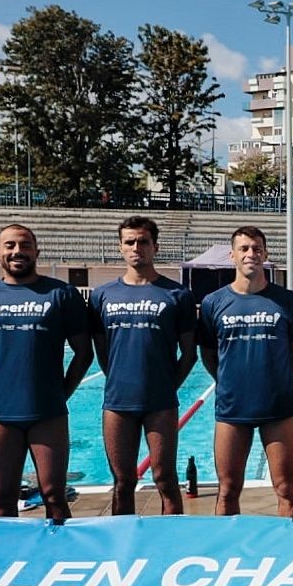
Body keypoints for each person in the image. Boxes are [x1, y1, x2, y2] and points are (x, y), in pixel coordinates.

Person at [0, 224, 92, 521]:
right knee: (3, 498)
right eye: (9, 246)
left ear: (36, 252)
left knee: (55, 495)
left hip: (48, 413)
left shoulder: (61, 294)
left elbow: (84, 353)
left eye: (24, 245)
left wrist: (61, 392)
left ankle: (60, 557)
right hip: (1, 414)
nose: (17, 251)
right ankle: (9, 559)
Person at [89, 216, 197, 515]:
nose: (137, 247)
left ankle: (172, 542)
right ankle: (121, 543)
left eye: (143, 241)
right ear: (120, 247)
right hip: (117, 402)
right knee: (122, 480)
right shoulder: (102, 295)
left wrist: (165, 385)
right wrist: (119, 380)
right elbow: (101, 349)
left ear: (155, 247)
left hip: (160, 402)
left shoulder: (177, 295)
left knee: (165, 477)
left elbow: (189, 354)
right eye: (130, 242)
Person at [197, 226, 293, 517]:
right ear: (232, 255)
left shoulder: (287, 301)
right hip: (232, 409)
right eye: (244, 248)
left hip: (278, 407)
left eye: (257, 248)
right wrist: (228, 382)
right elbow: (208, 352)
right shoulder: (214, 303)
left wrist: (279, 382)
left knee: (286, 488)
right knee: (228, 489)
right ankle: (227, 552)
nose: (251, 254)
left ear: (265, 254)